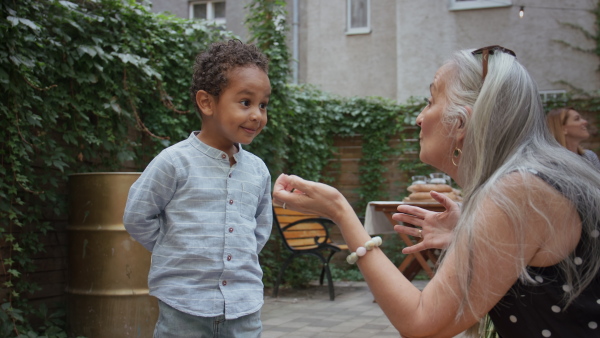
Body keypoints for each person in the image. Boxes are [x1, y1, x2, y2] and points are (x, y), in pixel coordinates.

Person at [273, 45, 600, 337]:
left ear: (461, 125)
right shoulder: (536, 178)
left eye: (430, 101)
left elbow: (422, 323)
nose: (418, 118)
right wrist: (469, 232)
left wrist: (339, 211)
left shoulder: (519, 191)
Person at [123, 39, 272, 337]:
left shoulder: (258, 170)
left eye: (263, 104)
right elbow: (137, 216)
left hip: (244, 309)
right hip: (183, 308)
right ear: (207, 103)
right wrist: (177, 249)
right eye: (245, 102)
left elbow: (259, 228)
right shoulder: (174, 162)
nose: (257, 114)